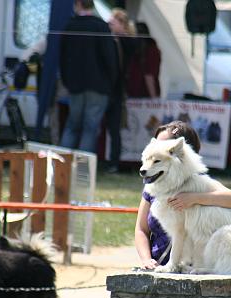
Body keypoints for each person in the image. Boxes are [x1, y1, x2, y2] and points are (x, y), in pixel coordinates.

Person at [134, 121, 231, 270]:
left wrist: (194, 198)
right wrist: (146, 260)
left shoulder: (198, 183)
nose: (156, 148)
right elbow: (141, 229)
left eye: (163, 145)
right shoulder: (152, 188)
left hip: (190, 267)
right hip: (156, 265)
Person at [59, 0, 117, 153]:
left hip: (75, 86)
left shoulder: (70, 26)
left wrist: (67, 81)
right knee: (90, 128)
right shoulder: (101, 26)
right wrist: (111, 83)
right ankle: (82, 170)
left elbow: (62, 58)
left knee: (72, 125)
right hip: (99, 86)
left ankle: (61, 166)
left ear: (78, 4)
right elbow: (110, 58)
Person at [105, 8, 135, 173]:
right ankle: (109, 162)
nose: (109, 25)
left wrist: (120, 36)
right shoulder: (112, 39)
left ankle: (114, 163)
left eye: (112, 22)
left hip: (117, 92)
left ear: (121, 24)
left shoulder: (127, 41)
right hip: (109, 90)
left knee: (114, 128)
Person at [127, 22, 161, 98]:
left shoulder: (149, 49)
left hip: (139, 93)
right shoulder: (150, 49)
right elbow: (149, 75)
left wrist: (153, 97)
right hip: (139, 94)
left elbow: (149, 75)